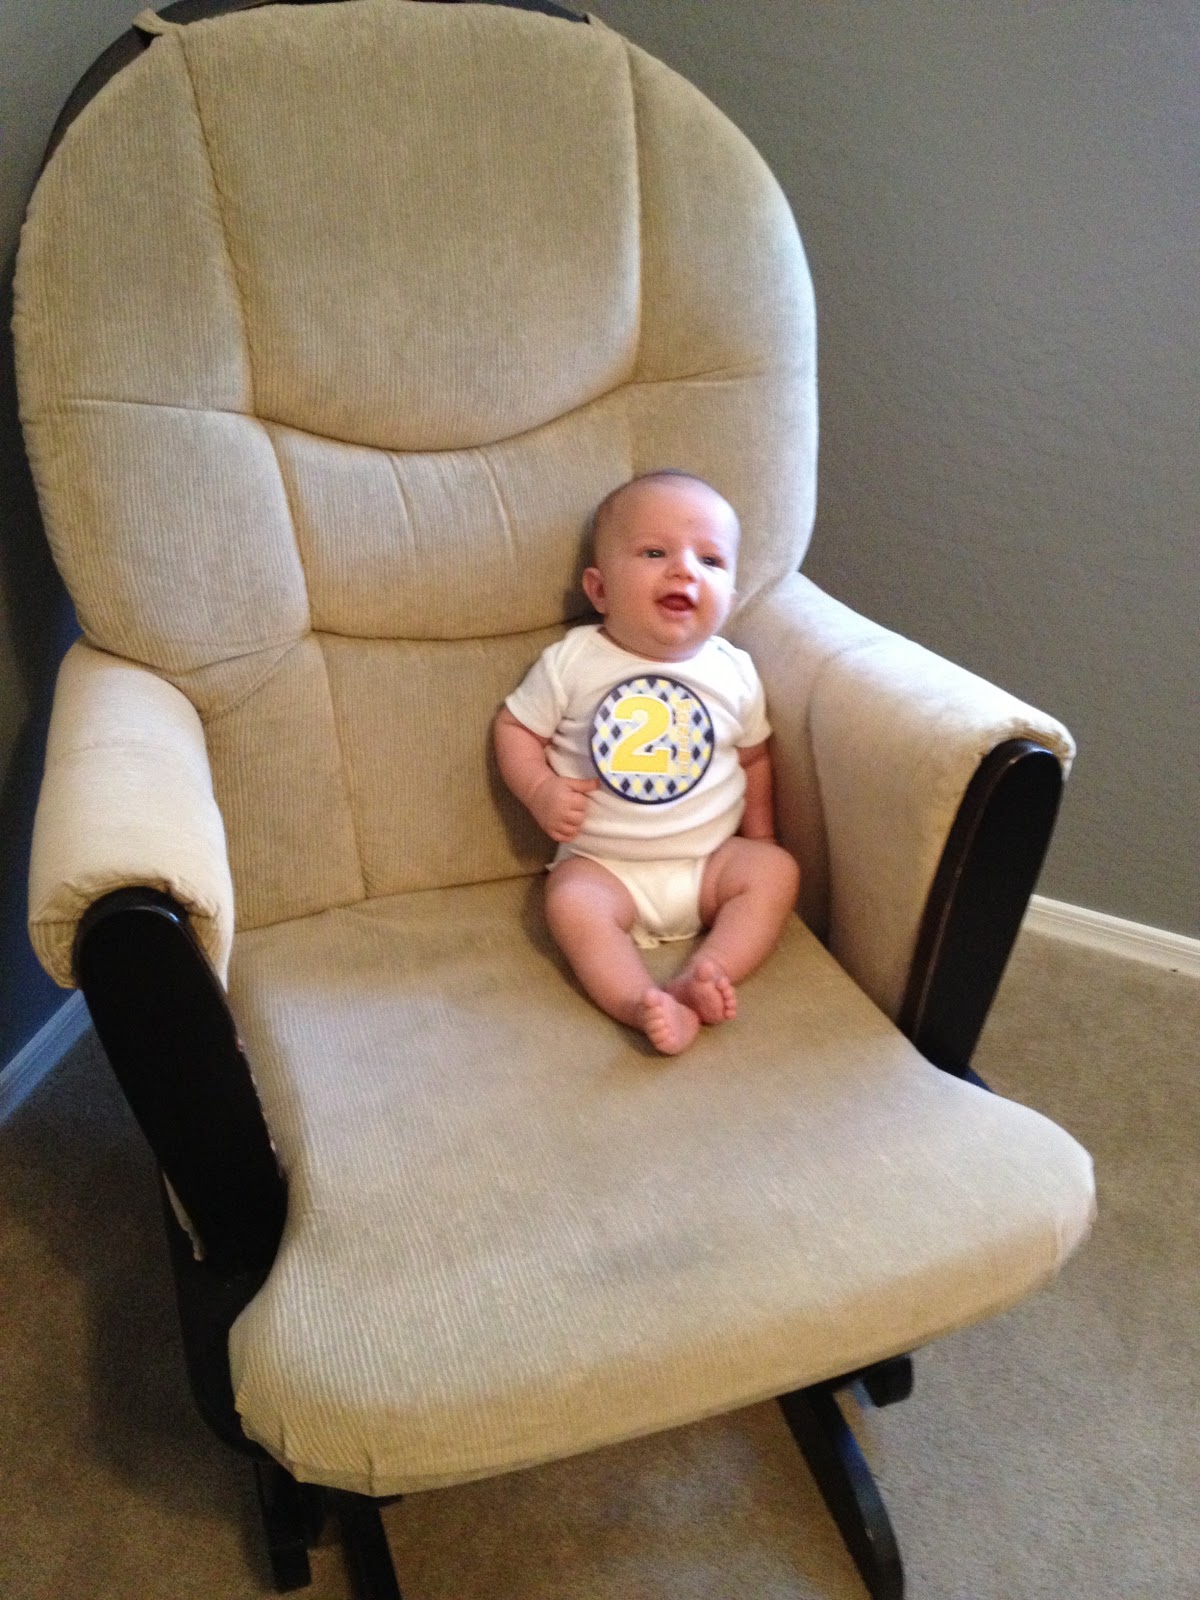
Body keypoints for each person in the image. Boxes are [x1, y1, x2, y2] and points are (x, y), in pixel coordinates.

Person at [494, 471, 799, 1055]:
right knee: (569, 901)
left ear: (731, 599)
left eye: (710, 560)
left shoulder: (733, 671)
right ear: (600, 589)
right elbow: (514, 727)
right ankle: (638, 1002)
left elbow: (755, 758)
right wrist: (538, 790)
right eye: (655, 553)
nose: (684, 570)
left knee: (776, 871)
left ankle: (705, 975)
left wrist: (761, 837)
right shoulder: (573, 661)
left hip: (708, 864)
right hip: (606, 869)